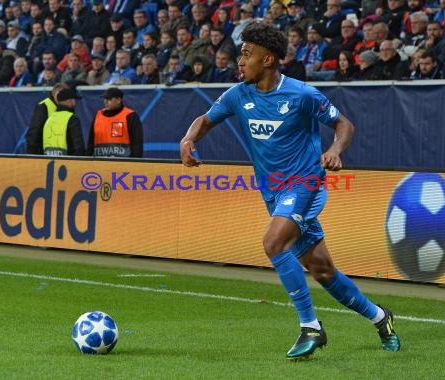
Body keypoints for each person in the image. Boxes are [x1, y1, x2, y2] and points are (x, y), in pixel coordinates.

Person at [180, 22, 401, 360]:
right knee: (324, 271)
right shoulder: (238, 95)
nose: (240, 61)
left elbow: (344, 125)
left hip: (305, 182)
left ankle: (310, 327)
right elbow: (205, 120)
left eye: (246, 54)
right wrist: (188, 139)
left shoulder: (302, 94)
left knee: (272, 243)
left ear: (268, 60)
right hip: (273, 193)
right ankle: (380, 317)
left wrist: (336, 150)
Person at [87, 87, 143, 158]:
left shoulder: (130, 116)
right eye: (104, 99)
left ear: (119, 100)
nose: (105, 101)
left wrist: (135, 163)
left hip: (123, 165)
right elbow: (90, 143)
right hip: (100, 164)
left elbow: (137, 144)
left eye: (109, 99)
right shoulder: (98, 116)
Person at [26, 83, 69, 154]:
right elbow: (34, 133)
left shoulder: (63, 107)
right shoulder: (43, 106)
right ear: (54, 94)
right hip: (44, 153)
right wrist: (34, 156)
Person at [42, 87, 86, 156]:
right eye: (74, 100)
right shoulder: (71, 118)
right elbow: (79, 148)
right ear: (69, 101)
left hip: (49, 163)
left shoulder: (49, 119)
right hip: (67, 164)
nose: (75, 103)